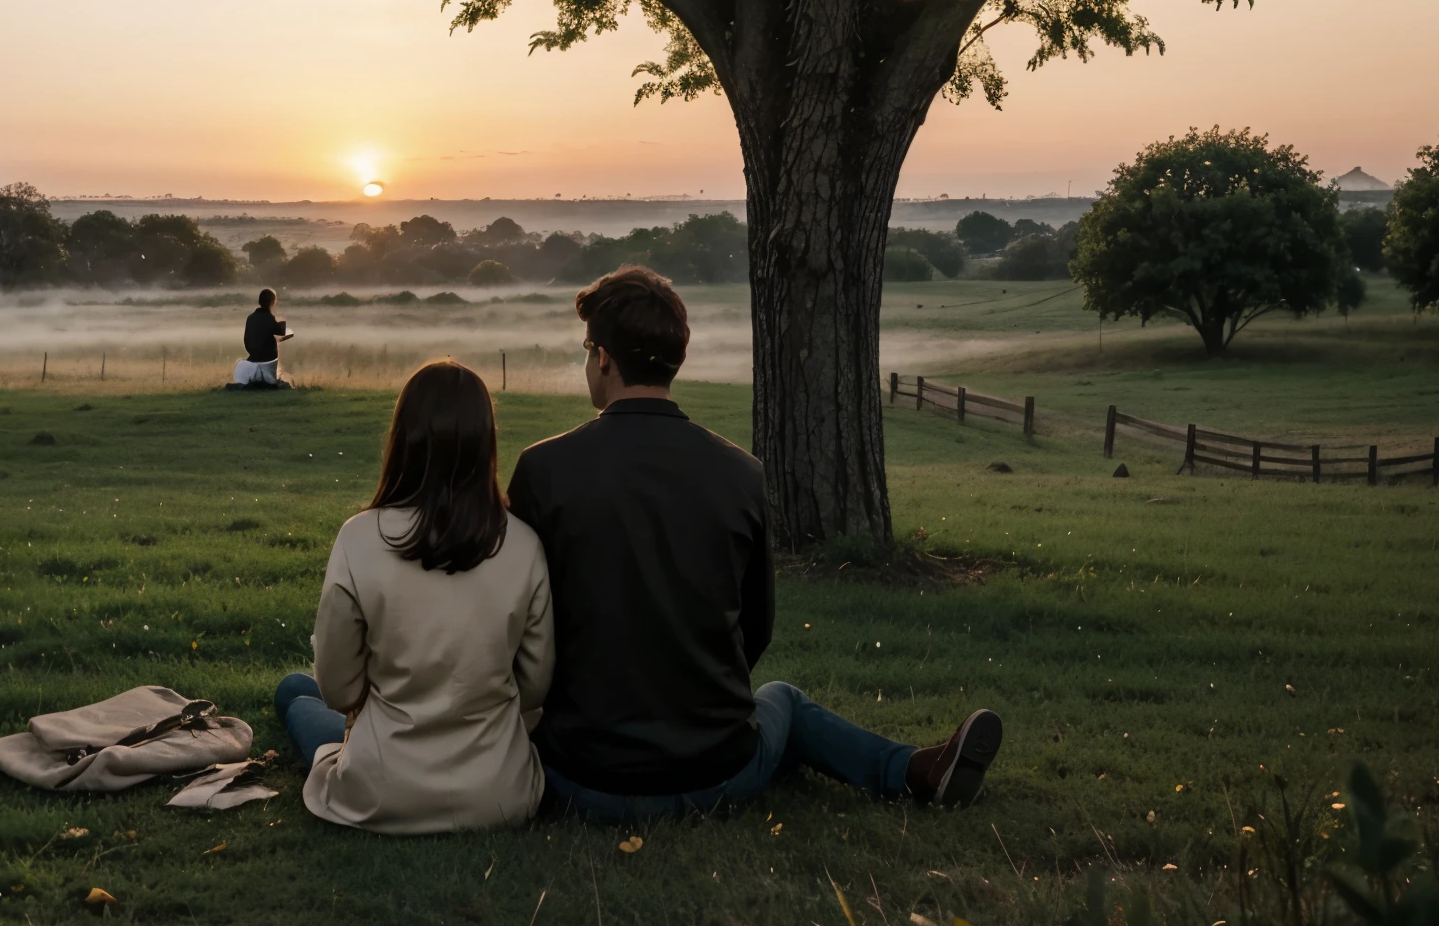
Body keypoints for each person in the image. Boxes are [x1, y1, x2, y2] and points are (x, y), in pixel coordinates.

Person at [506, 265, 1002, 820]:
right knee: (781, 700)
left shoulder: (542, 469)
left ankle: (911, 768)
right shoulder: (743, 473)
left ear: (602, 357)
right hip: (719, 770)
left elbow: (524, 624)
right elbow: (755, 628)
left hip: (581, 778)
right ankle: (912, 771)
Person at [274, 360, 554, 833]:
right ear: (487, 441)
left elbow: (339, 690)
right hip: (498, 794)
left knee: (296, 691)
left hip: (382, 789)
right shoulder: (524, 544)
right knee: (301, 692)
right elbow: (535, 687)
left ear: (402, 438)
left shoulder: (359, 539)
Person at [232, 287, 290, 387]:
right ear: (273, 302)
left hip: (252, 358)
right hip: (268, 360)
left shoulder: (250, 318)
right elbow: (282, 332)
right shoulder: (270, 318)